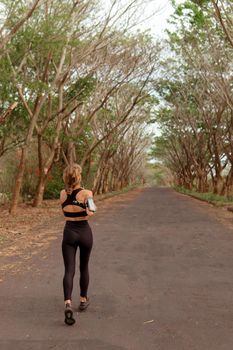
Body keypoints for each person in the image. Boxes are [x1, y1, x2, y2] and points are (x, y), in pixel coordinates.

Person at [60, 163, 96, 326]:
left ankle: (68, 302)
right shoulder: (87, 193)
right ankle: (83, 299)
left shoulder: (62, 194)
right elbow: (92, 211)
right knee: (84, 267)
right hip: (84, 233)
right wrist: (88, 206)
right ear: (79, 177)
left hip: (69, 232)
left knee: (69, 269)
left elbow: (65, 209)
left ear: (66, 178)